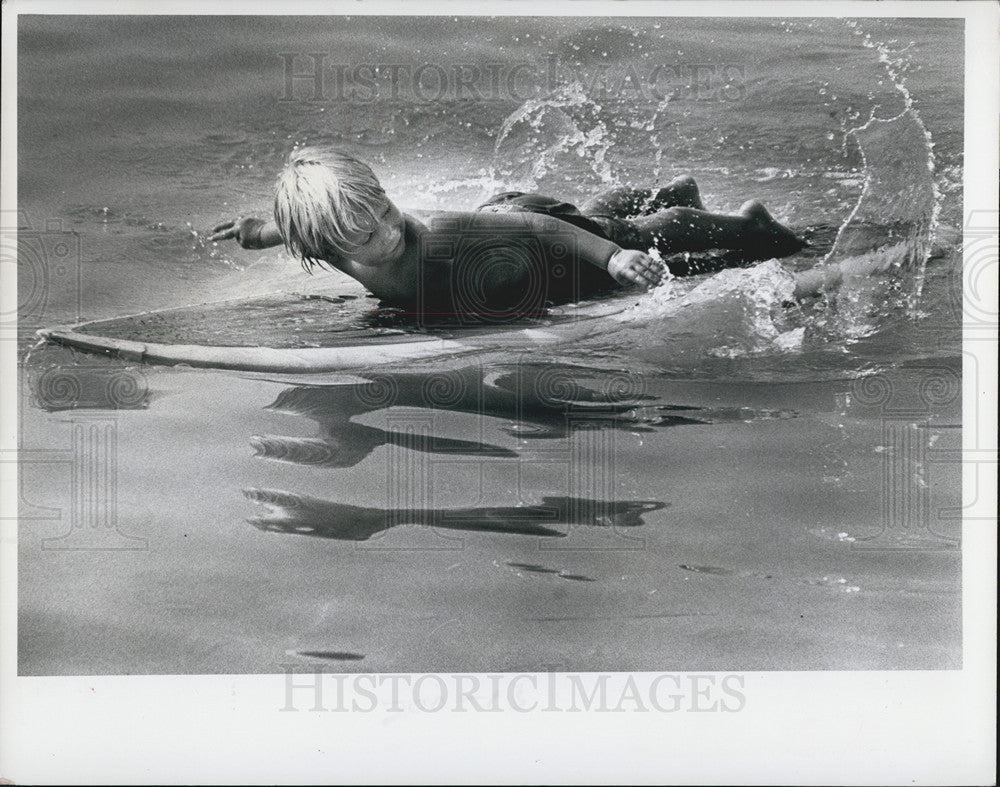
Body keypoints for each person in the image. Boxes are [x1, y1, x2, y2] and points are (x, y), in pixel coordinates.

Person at [209, 147, 808, 319]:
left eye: (387, 210)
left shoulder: (431, 235)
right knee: (598, 210)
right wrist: (257, 230)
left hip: (521, 231)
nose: (390, 233)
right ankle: (677, 188)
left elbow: (541, 229)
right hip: (504, 240)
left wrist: (614, 258)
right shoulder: (331, 243)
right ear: (330, 246)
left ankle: (745, 224)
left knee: (628, 231)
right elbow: (295, 232)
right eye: (367, 234)